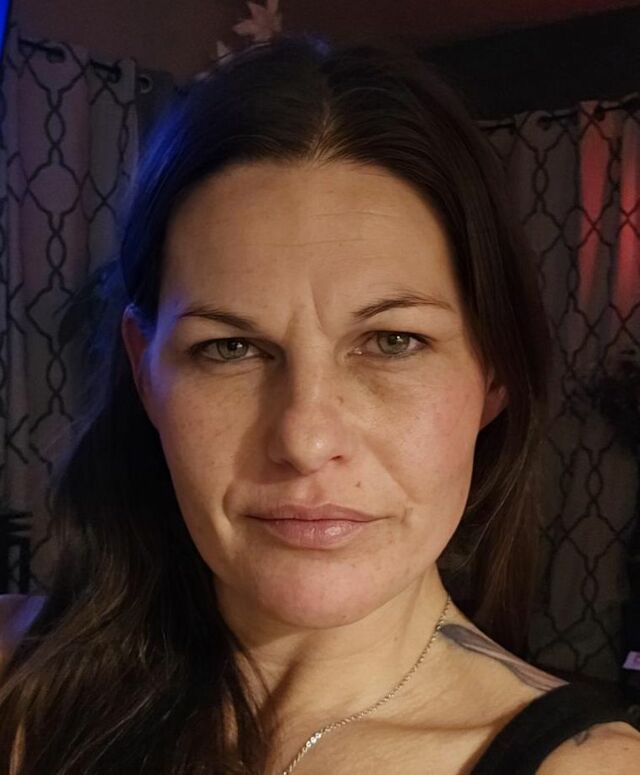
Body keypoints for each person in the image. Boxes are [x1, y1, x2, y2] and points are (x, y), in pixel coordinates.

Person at [1, 34, 639, 775]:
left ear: (493, 373)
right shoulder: (20, 679)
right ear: (146, 373)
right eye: (230, 348)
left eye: (393, 341)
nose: (304, 439)